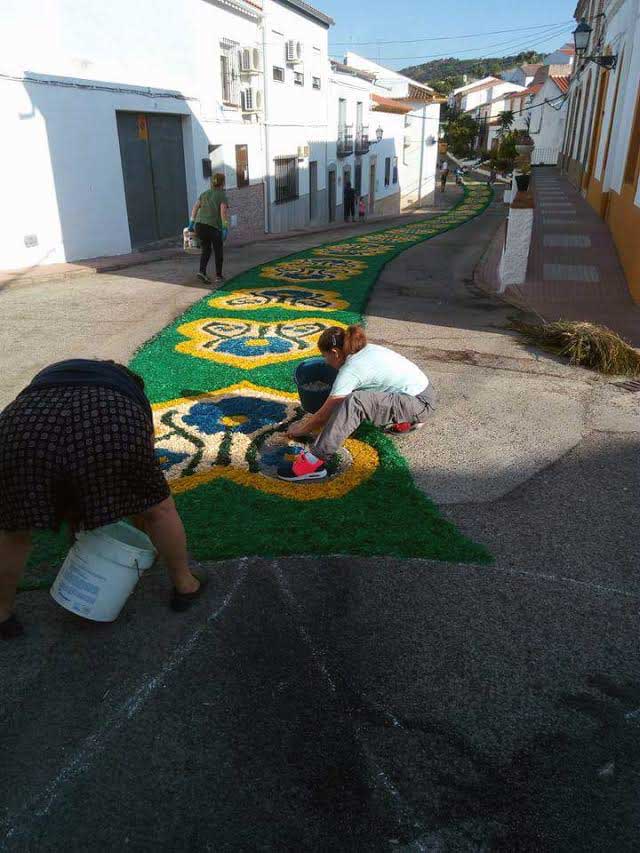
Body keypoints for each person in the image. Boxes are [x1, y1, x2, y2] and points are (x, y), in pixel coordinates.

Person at [0, 359, 207, 639]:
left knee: (13, 529)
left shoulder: (54, 376)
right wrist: (145, 528)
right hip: (110, 420)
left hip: (24, 424)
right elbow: (142, 488)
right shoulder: (129, 394)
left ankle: (1, 613)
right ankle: (185, 584)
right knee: (159, 509)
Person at [279, 326, 436, 482]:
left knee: (356, 401)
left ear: (335, 352)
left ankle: (314, 460)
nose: (326, 362)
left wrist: (300, 429)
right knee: (352, 395)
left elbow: (323, 415)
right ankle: (405, 422)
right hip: (420, 393)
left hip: (419, 403)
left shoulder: (351, 369)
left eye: (325, 356)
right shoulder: (363, 350)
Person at [189, 172, 229, 285]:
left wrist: (191, 222)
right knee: (218, 251)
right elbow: (223, 212)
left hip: (199, 226)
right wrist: (225, 227)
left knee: (206, 249)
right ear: (223, 183)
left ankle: (202, 272)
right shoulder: (222, 195)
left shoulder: (204, 193)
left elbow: (195, 207)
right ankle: (219, 276)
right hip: (213, 227)